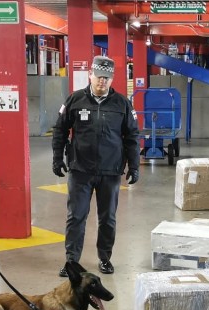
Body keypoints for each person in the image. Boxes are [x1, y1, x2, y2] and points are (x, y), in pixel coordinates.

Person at [52, 55, 140, 277]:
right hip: (80, 170)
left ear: (112, 79)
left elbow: (131, 136)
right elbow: (60, 130)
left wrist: (134, 166)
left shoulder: (122, 104)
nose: (103, 81)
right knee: (76, 217)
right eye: (99, 76)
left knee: (107, 218)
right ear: (90, 75)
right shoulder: (75, 100)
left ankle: (105, 258)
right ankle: (72, 261)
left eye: (107, 78)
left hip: (110, 172)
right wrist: (57, 158)